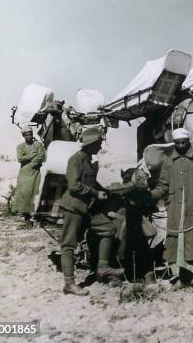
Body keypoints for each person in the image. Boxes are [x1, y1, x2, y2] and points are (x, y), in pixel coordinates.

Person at [59, 126, 123, 296]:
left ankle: (102, 268)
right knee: (69, 244)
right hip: (74, 207)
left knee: (108, 228)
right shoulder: (76, 159)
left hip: (87, 208)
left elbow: (91, 184)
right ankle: (69, 284)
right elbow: (74, 186)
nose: (100, 147)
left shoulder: (87, 159)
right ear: (91, 143)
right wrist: (95, 193)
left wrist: (106, 191)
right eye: (99, 143)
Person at [150, 128, 193, 292]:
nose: (180, 146)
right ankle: (179, 278)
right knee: (175, 243)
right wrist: (149, 196)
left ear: (189, 141)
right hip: (175, 210)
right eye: (177, 143)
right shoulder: (169, 162)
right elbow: (162, 186)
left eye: (183, 143)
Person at [12, 125, 46, 228]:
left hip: (35, 173)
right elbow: (20, 159)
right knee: (24, 195)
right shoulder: (20, 146)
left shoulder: (38, 145)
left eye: (30, 134)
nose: (29, 136)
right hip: (24, 174)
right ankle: (26, 219)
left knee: (36, 194)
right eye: (26, 135)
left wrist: (32, 163)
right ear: (23, 136)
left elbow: (41, 156)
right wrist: (32, 155)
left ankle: (37, 219)